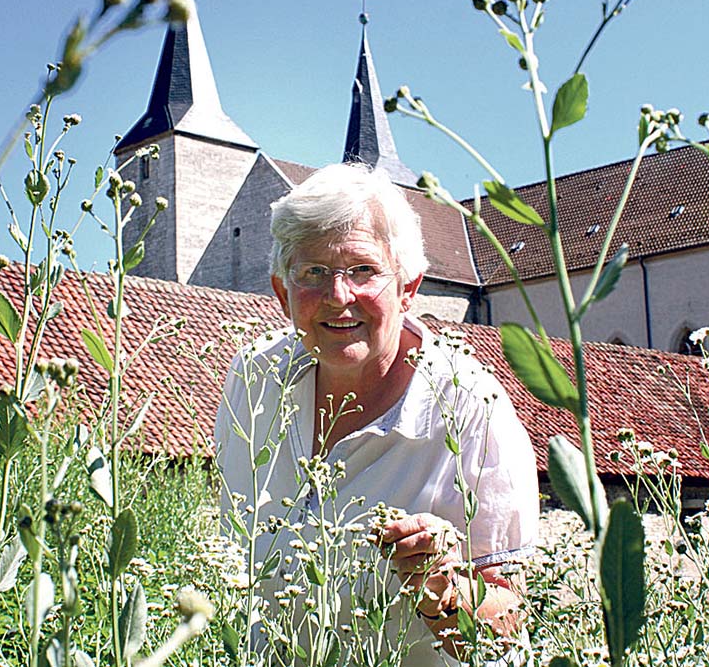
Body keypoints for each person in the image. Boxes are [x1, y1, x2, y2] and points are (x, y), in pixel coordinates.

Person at [214, 163, 539, 665]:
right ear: (283, 293)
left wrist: (443, 589)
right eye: (313, 272)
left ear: (408, 288)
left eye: (363, 270)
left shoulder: (470, 408)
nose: (338, 296)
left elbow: (511, 626)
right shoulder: (254, 380)